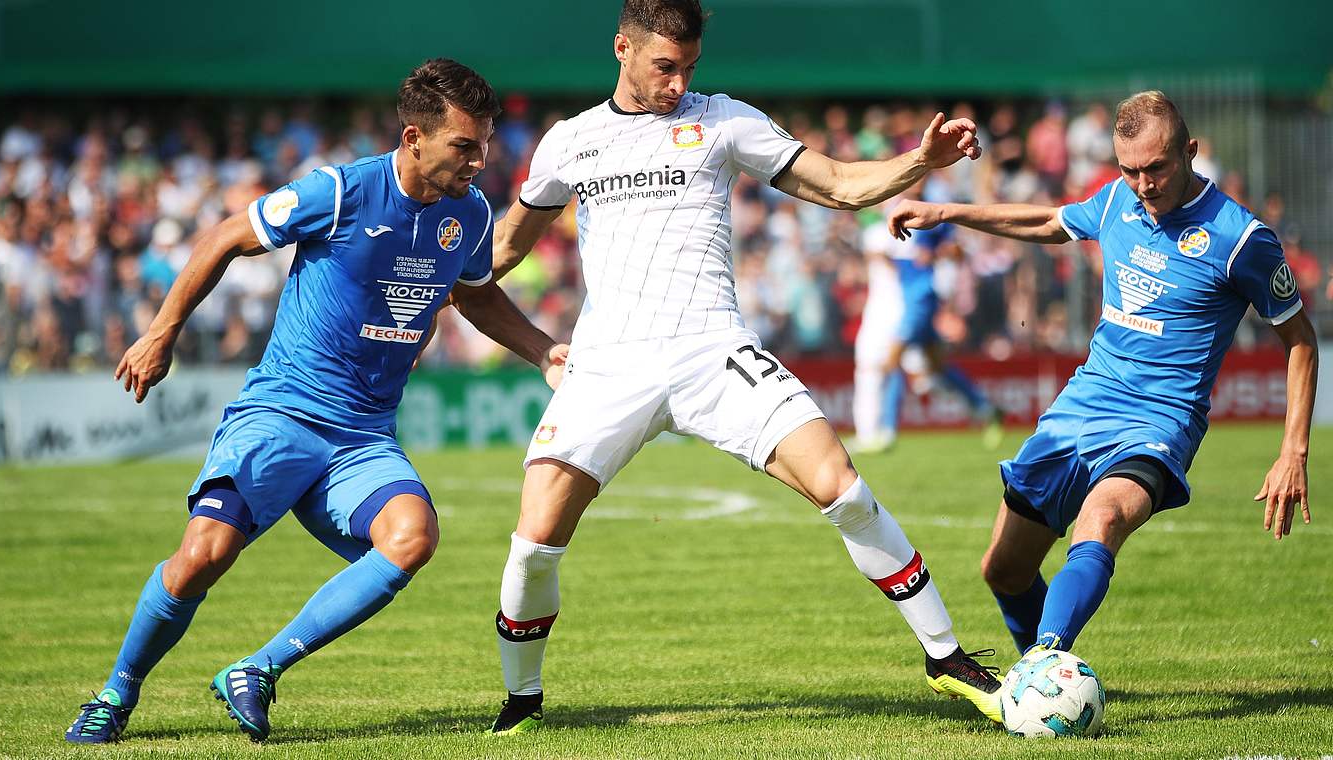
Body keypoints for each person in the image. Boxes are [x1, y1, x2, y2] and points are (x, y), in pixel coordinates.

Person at [485, 0, 1003, 734]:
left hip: (712, 349)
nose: (678, 83)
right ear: (621, 50)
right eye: (665, 66)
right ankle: (522, 703)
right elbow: (503, 252)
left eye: (689, 67)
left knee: (843, 487)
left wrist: (922, 162)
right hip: (608, 364)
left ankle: (945, 657)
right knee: (535, 541)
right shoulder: (569, 143)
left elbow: (839, 185)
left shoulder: (725, 120)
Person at [64, 59, 567, 744]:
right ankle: (115, 694)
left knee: (412, 537)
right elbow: (224, 237)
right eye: (464, 146)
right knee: (200, 559)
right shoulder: (340, 191)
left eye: (483, 145)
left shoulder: (469, 212)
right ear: (414, 136)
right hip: (282, 416)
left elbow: (473, 293)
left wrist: (543, 350)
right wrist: (161, 332)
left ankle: (259, 669)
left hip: (362, 437)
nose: (479, 161)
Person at [887, 91, 1317, 666]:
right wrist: (946, 213)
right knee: (1005, 570)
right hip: (1084, 403)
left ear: (1190, 152)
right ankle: (1045, 678)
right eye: (1130, 170)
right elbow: (1049, 219)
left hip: (1158, 423)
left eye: (1157, 168)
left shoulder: (1241, 240)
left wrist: (1293, 451)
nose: (1144, 184)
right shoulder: (1118, 201)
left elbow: (1300, 340)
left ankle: (1043, 668)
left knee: (1103, 517)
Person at [853, 190, 1002, 454]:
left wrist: (935, 256)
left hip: (919, 303)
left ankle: (886, 431)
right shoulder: (893, 224)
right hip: (915, 301)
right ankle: (985, 409)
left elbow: (954, 250)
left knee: (892, 361)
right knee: (937, 367)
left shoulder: (928, 220)